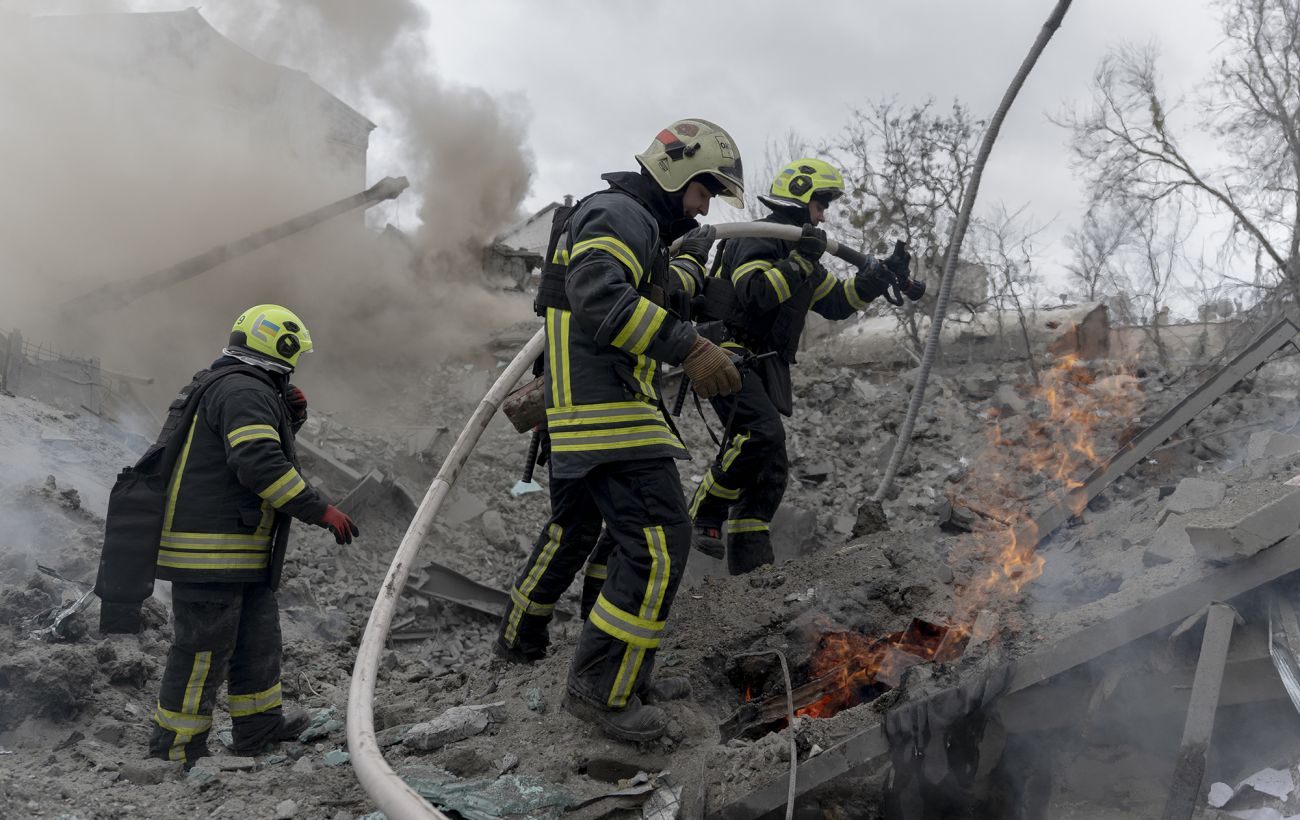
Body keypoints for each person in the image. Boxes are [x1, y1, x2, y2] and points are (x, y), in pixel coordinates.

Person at [494, 119, 744, 741]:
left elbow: (635, 305)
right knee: (659, 545)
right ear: (675, 172)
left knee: (625, 541)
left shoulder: (638, 226)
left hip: (607, 408)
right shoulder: (620, 213)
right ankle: (600, 692)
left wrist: (690, 320)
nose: (705, 204)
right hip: (606, 413)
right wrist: (687, 345)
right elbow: (599, 297)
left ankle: (626, 674)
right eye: (703, 189)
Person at [144, 304, 359, 763]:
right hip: (211, 552)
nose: (295, 365)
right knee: (203, 651)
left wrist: (290, 418)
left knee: (257, 642)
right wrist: (320, 510)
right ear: (277, 349)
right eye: (293, 355)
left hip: (238, 551)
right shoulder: (243, 390)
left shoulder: (241, 386)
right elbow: (258, 463)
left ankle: (259, 729)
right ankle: (176, 748)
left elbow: (251, 447)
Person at [688, 158, 912, 574]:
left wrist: (880, 278)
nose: (824, 213)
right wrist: (801, 261)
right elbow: (755, 293)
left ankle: (753, 577)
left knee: (771, 469)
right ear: (801, 197)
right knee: (759, 434)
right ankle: (704, 512)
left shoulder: (800, 252)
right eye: (821, 203)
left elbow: (838, 302)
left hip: (760, 363)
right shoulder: (758, 238)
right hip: (726, 354)